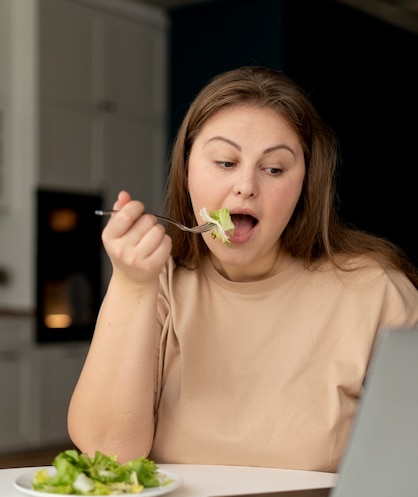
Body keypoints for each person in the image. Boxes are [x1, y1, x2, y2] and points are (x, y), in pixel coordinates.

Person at [68, 66, 418, 472]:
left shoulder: (376, 292)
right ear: (186, 172)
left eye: (274, 169)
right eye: (224, 162)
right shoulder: (157, 282)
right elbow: (106, 452)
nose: (246, 186)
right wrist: (132, 286)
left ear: (306, 183)